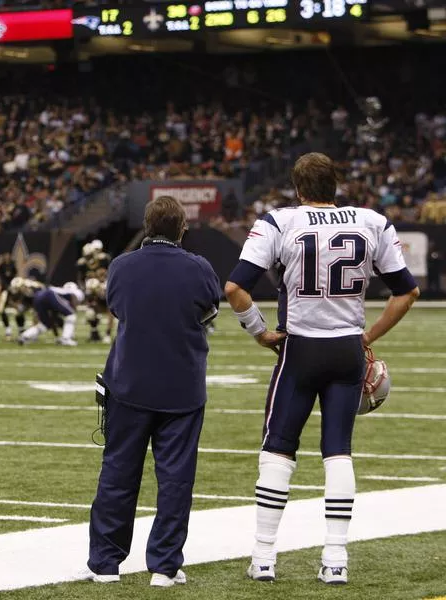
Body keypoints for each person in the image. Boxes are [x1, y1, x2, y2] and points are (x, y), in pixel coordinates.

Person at [224, 152, 420, 585]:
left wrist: (258, 332)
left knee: (278, 451)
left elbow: (236, 288)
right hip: (347, 349)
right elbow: (407, 292)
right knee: (338, 452)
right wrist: (368, 337)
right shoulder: (372, 221)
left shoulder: (280, 222)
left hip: (299, 350)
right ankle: (335, 558)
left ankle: (263, 556)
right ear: (337, 185)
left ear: (298, 189)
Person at [85, 196, 219, 588]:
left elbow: (117, 308)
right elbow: (208, 312)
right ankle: (163, 565)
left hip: (129, 382)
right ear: (182, 229)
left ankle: (106, 564)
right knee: (176, 478)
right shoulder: (198, 267)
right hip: (182, 384)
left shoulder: (122, 265)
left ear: (147, 226)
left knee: (117, 473)